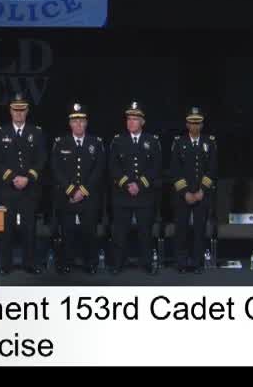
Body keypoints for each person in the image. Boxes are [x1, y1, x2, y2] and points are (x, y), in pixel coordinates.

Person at [0, 92, 47, 275]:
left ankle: (29, 263)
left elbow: (41, 159)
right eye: (16, 110)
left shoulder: (36, 132)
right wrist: (13, 178)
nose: (19, 113)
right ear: (10, 111)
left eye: (22, 110)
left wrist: (28, 178)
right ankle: (5, 264)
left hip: (29, 189)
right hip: (8, 188)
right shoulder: (1, 133)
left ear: (27, 111)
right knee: (6, 228)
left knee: (29, 228)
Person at [108, 100, 162, 275]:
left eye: (135, 119)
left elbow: (156, 167)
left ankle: (146, 263)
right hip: (122, 195)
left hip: (144, 194)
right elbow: (113, 166)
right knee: (120, 233)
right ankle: (118, 263)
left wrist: (139, 185)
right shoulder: (118, 141)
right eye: (129, 119)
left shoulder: (152, 141)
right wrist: (126, 184)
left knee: (145, 232)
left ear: (143, 122)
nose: (131, 122)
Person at [51, 102, 105, 275]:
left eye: (81, 120)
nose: (78, 124)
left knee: (90, 231)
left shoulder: (95, 143)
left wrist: (83, 191)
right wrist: (71, 190)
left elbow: (99, 169)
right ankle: (66, 262)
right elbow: (55, 168)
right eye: (75, 121)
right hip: (67, 196)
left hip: (88, 197)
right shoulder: (60, 142)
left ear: (87, 122)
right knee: (67, 232)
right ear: (70, 123)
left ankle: (91, 263)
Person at [169, 106, 217, 274]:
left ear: (202, 125)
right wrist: (186, 193)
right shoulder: (178, 143)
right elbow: (175, 170)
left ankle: (197, 263)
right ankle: (181, 263)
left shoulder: (209, 143)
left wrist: (201, 191)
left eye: (198, 123)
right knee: (181, 229)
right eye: (192, 123)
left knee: (199, 230)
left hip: (202, 194)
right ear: (187, 124)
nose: (195, 126)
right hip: (183, 195)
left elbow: (212, 169)